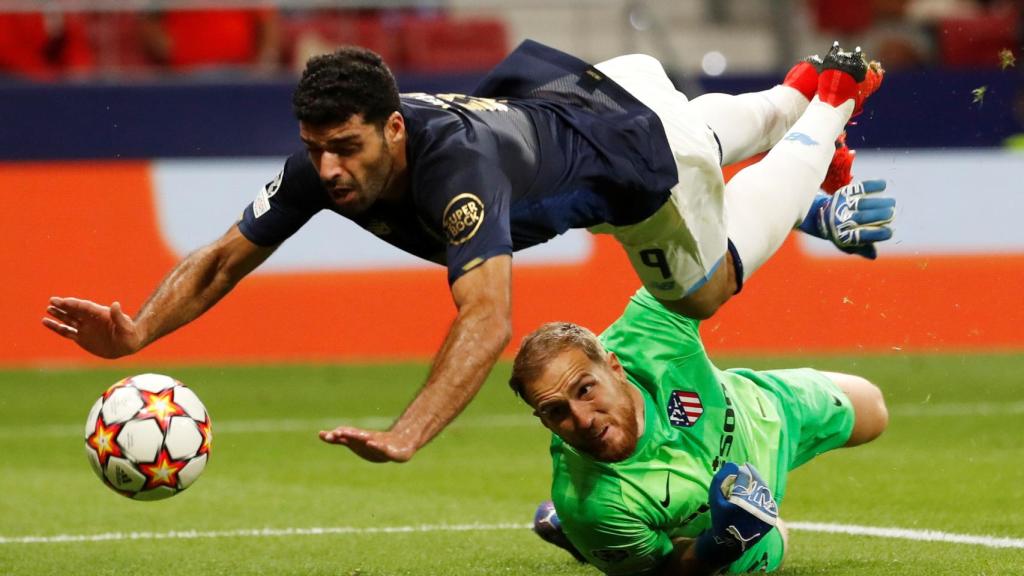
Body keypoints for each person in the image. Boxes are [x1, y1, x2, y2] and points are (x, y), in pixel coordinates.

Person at [41, 39, 891, 464]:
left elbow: (488, 321)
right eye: (315, 147)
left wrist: (409, 433)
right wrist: (138, 332)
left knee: (702, 292)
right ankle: (799, 92)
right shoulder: (329, 164)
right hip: (606, 90)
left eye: (346, 146)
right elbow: (225, 257)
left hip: (647, 170)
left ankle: (830, 108)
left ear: (394, 127)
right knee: (703, 123)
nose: (328, 168)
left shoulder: (458, 175)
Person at [510, 287, 889, 575]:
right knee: (774, 539)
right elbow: (667, 570)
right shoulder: (590, 503)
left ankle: (587, 544)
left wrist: (802, 207)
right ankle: (599, 542)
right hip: (712, 519)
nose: (582, 419)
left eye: (585, 389)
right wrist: (722, 543)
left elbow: (720, 250)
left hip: (762, 408)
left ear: (614, 366)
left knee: (873, 409)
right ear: (542, 419)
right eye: (556, 411)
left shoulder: (650, 326)